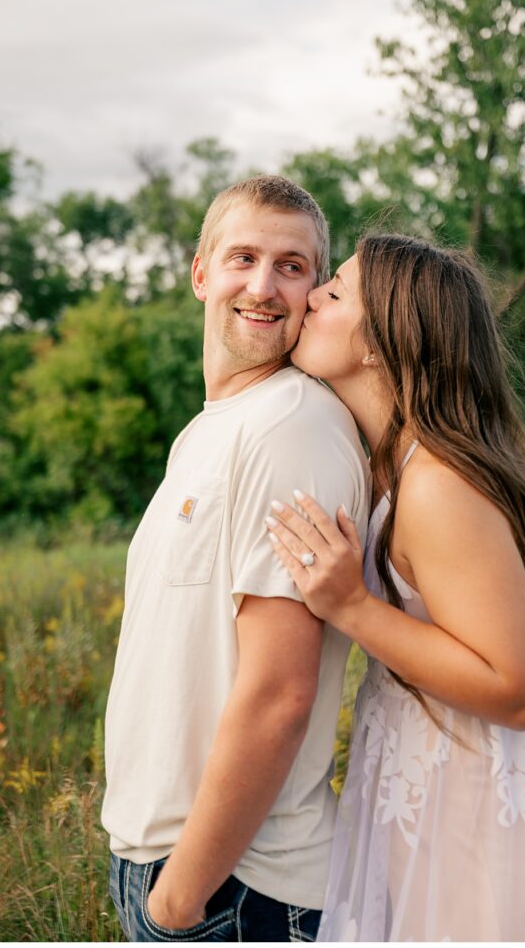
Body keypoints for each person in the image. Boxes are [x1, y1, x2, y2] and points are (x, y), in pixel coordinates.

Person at [267, 234, 525, 942]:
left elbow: (516, 689)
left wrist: (351, 606)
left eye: (334, 291)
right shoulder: (387, 462)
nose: (311, 296)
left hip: (473, 814)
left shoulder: (436, 484)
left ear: (380, 343)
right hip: (415, 786)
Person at [102, 176, 370, 943]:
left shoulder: (292, 427)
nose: (263, 285)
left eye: (292, 266)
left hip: (238, 891)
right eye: (243, 257)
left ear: (316, 287)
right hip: (180, 873)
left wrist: (180, 898)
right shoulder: (213, 428)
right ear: (200, 273)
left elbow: (281, 695)